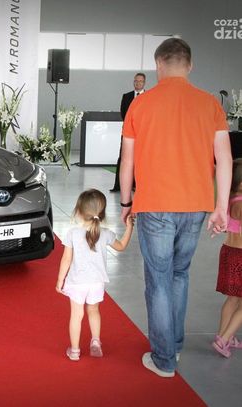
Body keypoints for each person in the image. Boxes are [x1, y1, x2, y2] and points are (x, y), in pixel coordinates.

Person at [119, 38, 232, 377]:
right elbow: (225, 158)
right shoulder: (210, 104)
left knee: (158, 280)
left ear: (158, 64)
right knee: (179, 275)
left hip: (155, 205)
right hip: (196, 205)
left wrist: (125, 202)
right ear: (190, 65)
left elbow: (128, 161)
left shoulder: (140, 104)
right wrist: (221, 207)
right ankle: (175, 345)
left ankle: (164, 358)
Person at [56, 189, 134, 361]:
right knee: (94, 310)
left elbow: (66, 259)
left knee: (76, 315)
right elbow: (121, 246)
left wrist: (60, 280)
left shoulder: (72, 233)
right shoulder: (105, 233)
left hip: (77, 282)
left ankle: (74, 351)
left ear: (78, 211)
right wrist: (129, 227)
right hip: (97, 282)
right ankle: (96, 341)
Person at [212, 158, 242, 358]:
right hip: (240, 256)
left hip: (229, 252)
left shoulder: (230, 200)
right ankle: (224, 340)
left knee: (233, 299)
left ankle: (223, 336)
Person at [110, 73, 145, 192]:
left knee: (141, 158)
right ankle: (118, 185)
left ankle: (138, 185)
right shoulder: (126, 96)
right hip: (128, 133)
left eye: (140, 81)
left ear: (144, 83)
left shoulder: (149, 96)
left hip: (143, 134)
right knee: (123, 157)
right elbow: (123, 114)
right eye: (136, 81)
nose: (138, 83)